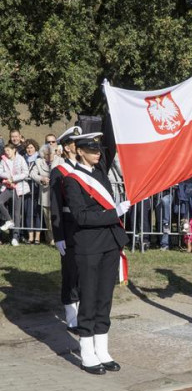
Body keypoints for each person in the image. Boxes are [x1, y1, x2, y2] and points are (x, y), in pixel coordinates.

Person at [63, 131, 130, 375]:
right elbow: (80, 216)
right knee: (88, 297)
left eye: (98, 149)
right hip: (88, 245)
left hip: (109, 243)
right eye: (91, 150)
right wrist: (114, 213)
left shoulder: (101, 173)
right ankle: (87, 351)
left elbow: (111, 145)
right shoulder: (71, 180)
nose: (97, 153)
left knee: (104, 298)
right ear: (79, 151)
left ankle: (102, 348)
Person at [50, 126, 82, 331]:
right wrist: (58, 235)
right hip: (68, 228)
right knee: (70, 272)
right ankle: (72, 317)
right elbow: (55, 205)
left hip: (85, 228)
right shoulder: (59, 171)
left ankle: (84, 313)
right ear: (69, 147)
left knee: (84, 271)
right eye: (77, 143)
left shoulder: (84, 168)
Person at [30, 143, 62, 244]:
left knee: (58, 217)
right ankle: (51, 238)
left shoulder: (60, 160)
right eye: (47, 154)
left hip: (58, 193)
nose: (50, 156)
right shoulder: (39, 162)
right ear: (43, 155)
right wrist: (41, 179)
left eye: (51, 153)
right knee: (48, 218)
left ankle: (59, 237)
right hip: (45, 194)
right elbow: (32, 173)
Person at [0, 142, 30, 245]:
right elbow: (0, 171)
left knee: (17, 213)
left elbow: (26, 173)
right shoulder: (3, 160)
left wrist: (13, 178)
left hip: (18, 188)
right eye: (5, 151)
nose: (6, 152)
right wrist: (7, 176)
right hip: (7, 188)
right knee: (0, 202)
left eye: (8, 150)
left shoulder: (20, 159)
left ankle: (15, 237)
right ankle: (9, 220)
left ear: (14, 150)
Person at [23, 139, 41, 244]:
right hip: (27, 189)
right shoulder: (23, 159)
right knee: (28, 213)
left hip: (38, 189)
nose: (29, 150)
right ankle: (30, 237)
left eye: (31, 147)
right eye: (27, 148)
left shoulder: (39, 158)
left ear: (35, 148)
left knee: (37, 213)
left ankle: (37, 237)